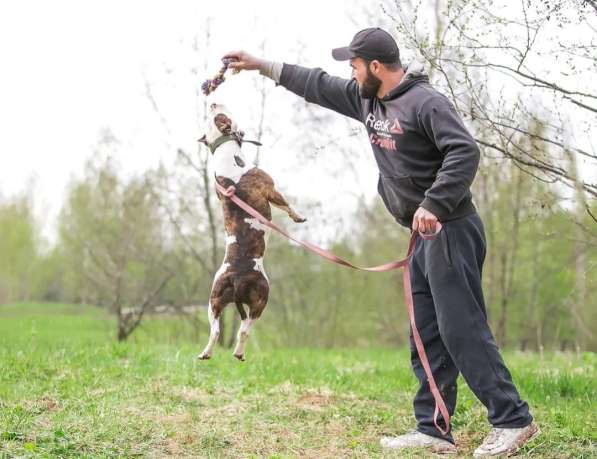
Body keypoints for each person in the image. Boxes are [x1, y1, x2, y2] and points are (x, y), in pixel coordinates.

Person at [223, 27, 539, 457]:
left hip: (452, 230)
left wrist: (434, 203)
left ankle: (512, 419)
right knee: (425, 332)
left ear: (376, 66)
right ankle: (434, 429)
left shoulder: (425, 103)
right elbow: (315, 84)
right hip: (420, 236)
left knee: (460, 327)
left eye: (354, 65)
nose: (350, 74)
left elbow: (464, 151)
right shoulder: (366, 99)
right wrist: (261, 66)